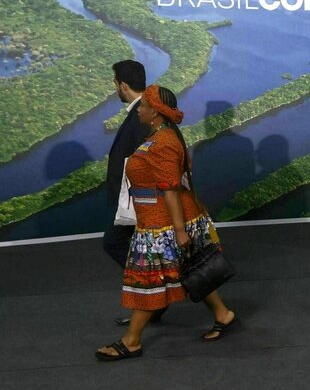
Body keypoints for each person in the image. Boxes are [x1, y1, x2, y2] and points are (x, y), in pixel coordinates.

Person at [95, 85, 237, 360]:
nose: (140, 109)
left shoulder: (164, 143)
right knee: (190, 269)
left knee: (149, 282)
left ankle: (132, 340)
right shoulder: (160, 136)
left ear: (156, 114)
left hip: (164, 225)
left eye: (144, 106)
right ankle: (223, 313)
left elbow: (170, 189)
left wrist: (180, 231)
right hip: (158, 219)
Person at [102, 60, 160, 326]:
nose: (116, 87)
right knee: (136, 250)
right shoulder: (144, 109)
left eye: (115, 83)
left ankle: (155, 293)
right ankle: (155, 299)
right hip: (137, 199)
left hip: (137, 200)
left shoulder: (141, 115)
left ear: (122, 85)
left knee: (115, 243)